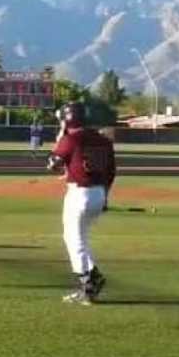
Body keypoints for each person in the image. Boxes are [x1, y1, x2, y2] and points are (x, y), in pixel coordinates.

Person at [47, 102, 116, 305]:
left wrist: (60, 139)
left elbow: (52, 165)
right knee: (82, 239)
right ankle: (93, 277)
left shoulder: (71, 139)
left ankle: (87, 285)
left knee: (73, 240)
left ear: (67, 119)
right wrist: (105, 196)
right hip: (99, 193)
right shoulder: (104, 140)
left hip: (80, 194)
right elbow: (111, 172)